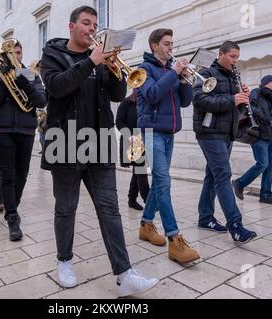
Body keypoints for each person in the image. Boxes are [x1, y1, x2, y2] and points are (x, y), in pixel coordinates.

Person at [40, 5, 159, 297]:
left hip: (100, 141)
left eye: (94, 24)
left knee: (110, 209)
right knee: (66, 208)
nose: (92, 29)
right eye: (86, 23)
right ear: (71, 26)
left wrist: (114, 69)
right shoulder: (53, 55)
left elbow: (118, 95)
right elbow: (56, 87)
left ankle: (124, 273)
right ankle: (64, 261)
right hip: (64, 140)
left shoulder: (101, 58)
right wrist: (92, 61)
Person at [136, 28, 200, 263]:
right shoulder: (144, 69)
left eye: (172, 43)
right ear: (154, 46)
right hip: (151, 131)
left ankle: (145, 224)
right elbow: (152, 94)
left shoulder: (170, 71)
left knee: (159, 182)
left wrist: (185, 79)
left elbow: (184, 102)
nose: (171, 47)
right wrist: (174, 73)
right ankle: (174, 239)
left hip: (170, 132)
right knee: (163, 181)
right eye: (166, 43)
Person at [192, 41, 257, 243]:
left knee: (212, 176)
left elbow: (234, 107)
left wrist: (244, 97)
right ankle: (236, 226)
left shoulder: (231, 77)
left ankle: (205, 218)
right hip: (209, 132)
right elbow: (199, 100)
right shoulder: (206, 73)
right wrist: (233, 99)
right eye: (232, 56)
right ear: (221, 54)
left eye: (237, 57)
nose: (235, 61)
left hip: (227, 132)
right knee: (223, 175)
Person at [0, 39, 46, 241]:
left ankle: (13, 208)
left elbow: (41, 100)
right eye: (12, 53)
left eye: (18, 52)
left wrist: (26, 85)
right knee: (7, 175)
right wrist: (5, 78)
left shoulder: (29, 73)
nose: (16, 56)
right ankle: (12, 217)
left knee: (22, 174)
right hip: (4, 130)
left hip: (26, 130)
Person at [232, 75, 272, 206]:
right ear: (265, 83)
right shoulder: (256, 92)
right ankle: (239, 183)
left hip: (270, 136)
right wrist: (264, 119)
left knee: (269, 168)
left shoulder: (271, 96)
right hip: (259, 135)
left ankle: (266, 195)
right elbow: (250, 107)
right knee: (262, 164)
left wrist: (270, 93)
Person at [116, 89, 149, 211]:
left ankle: (131, 199)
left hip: (143, 139)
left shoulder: (146, 103)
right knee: (140, 170)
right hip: (131, 140)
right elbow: (118, 122)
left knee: (138, 170)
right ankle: (148, 199)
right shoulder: (126, 103)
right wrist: (129, 135)